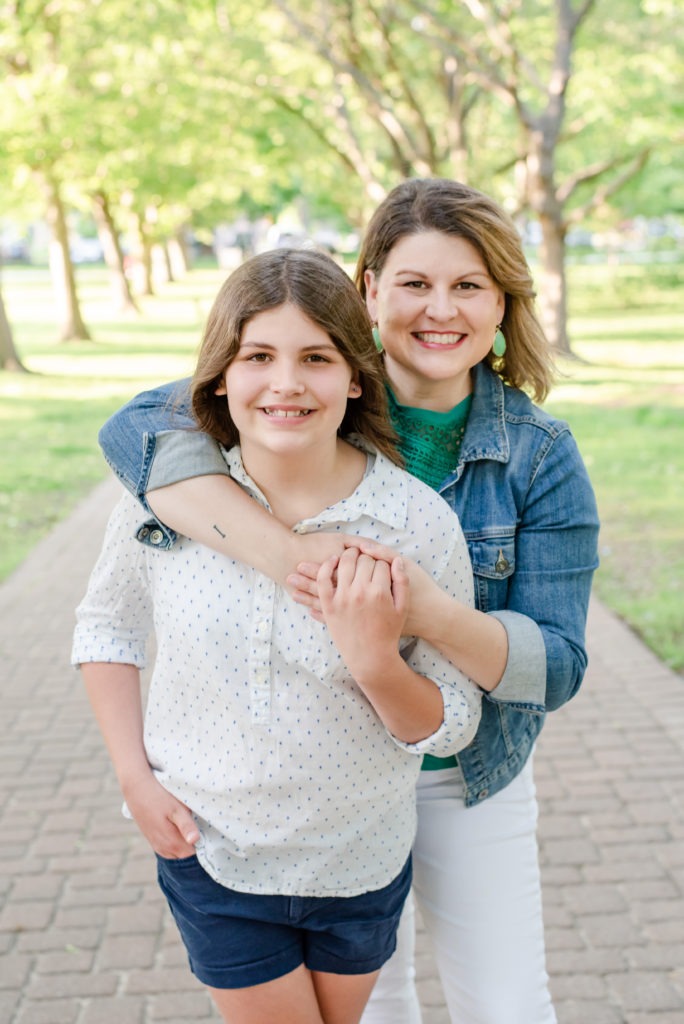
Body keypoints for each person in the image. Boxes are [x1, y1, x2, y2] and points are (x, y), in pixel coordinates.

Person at [97, 179, 600, 1024]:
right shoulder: (309, 398)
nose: (440, 310)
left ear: (505, 304)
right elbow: (136, 432)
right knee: (376, 1010)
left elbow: (556, 667)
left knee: (507, 1003)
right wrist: (295, 559)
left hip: (461, 774)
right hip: (317, 790)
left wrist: (420, 611)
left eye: (470, 286)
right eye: (414, 283)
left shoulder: (537, 456)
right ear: (369, 290)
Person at [72, 247, 482, 1024]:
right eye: (258, 355)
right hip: (213, 849)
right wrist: (134, 777)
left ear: (356, 376)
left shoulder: (413, 522)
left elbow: (453, 717)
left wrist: (374, 663)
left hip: (359, 859)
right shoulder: (165, 497)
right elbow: (107, 626)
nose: (286, 383)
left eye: (316, 358)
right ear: (221, 375)